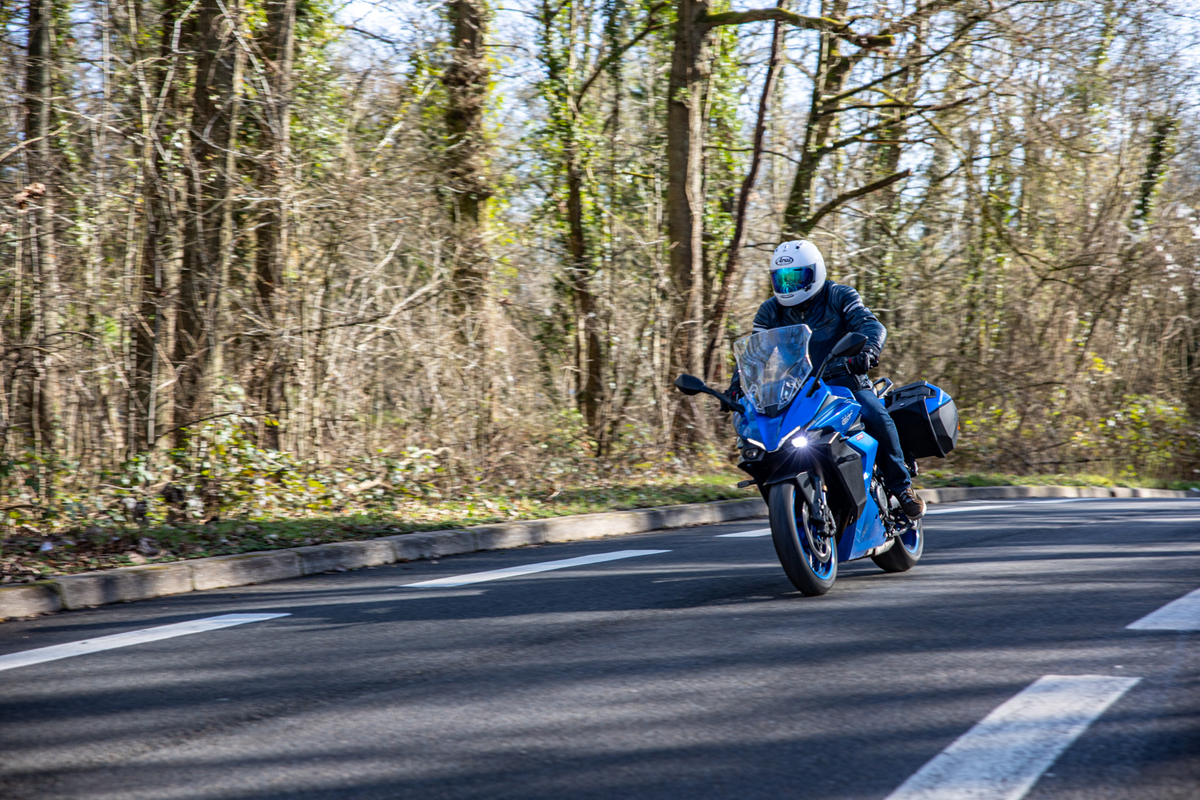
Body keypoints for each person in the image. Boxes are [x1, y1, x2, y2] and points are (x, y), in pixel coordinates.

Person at [729, 240, 925, 519]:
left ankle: (901, 486)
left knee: (875, 414)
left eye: (796, 277)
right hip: (798, 389)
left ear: (815, 272)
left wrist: (868, 351)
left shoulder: (839, 295)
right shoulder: (770, 310)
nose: (789, 285)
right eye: (782, 279)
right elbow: (755, 355)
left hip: (845, 380)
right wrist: (737, 386)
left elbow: (869, 324)